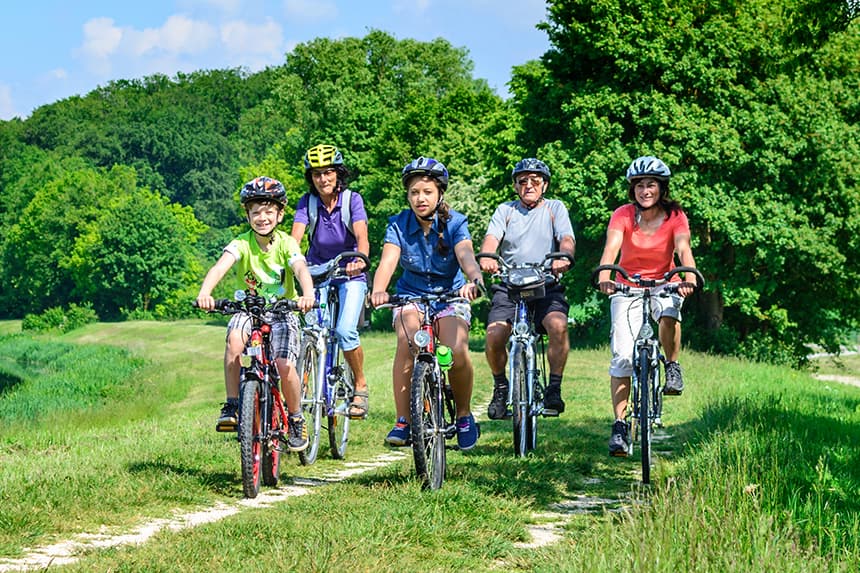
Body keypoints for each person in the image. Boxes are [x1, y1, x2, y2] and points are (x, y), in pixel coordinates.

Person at [370, 157, 484, 450]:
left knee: (455, 350)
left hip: (450, 295)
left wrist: (474, 280)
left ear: (439, 194)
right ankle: (404, 420)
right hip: (412, 295)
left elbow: (465, 254)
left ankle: (463, 415)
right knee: (407, 342)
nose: (420, 198)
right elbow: (388, 260)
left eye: (427, 192)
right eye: (414, 193)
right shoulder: (398, 224)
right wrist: (379, 290)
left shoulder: (456, 222)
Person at [196, 177, 315, 451]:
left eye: (268, 211)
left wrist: (307, 294)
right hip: (249, 309)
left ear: (280, 214)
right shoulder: (241, 243)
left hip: (283, 311)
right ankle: (232, 405)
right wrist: (206, 292)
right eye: (256, 212)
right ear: (248, 215)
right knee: (234, 343)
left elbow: (300, 269)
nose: (262, 218)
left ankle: (296, 418)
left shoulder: (286, 243)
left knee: (284, 365)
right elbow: (219, 268)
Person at [595, 156, 697, 457]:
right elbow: (611, 249)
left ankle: (672, 365)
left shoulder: (675, 215)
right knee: (623, 357)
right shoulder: (623, 215)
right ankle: (620, 425)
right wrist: (605, 276)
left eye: (651, 184)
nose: (645, 190)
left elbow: (683, 248)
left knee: (668, 312)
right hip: (627, 285)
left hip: (665, 281)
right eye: (639, 185)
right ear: (633, 189)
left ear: (661, 188)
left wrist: (687, 276)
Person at [479, 158, 576, 419]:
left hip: (545, 283)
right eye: (523, 181)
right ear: (515, 186)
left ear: (544, 185)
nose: (529, 185)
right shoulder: (505, 210)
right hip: (509, 284)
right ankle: (501, 388)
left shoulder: (555, 208)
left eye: (535, 181)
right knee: (494, 336)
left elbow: (566, 239)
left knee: (558, 325)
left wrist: (563, 257)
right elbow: (492, 238)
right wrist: (488, 256)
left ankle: (554, 389)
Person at [290, 144, 371, 419]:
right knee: (311, 330)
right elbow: (295, 240)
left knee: (346, 330)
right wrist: (291, 261)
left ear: (338, 173)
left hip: (349, 271)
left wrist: (359, 260)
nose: (323, 179)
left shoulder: (352, 200)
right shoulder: (307, 202)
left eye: (328, 173)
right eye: (316, 174)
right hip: (316, 272)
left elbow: (362, 238)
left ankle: (360, 385)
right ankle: (302, 391)